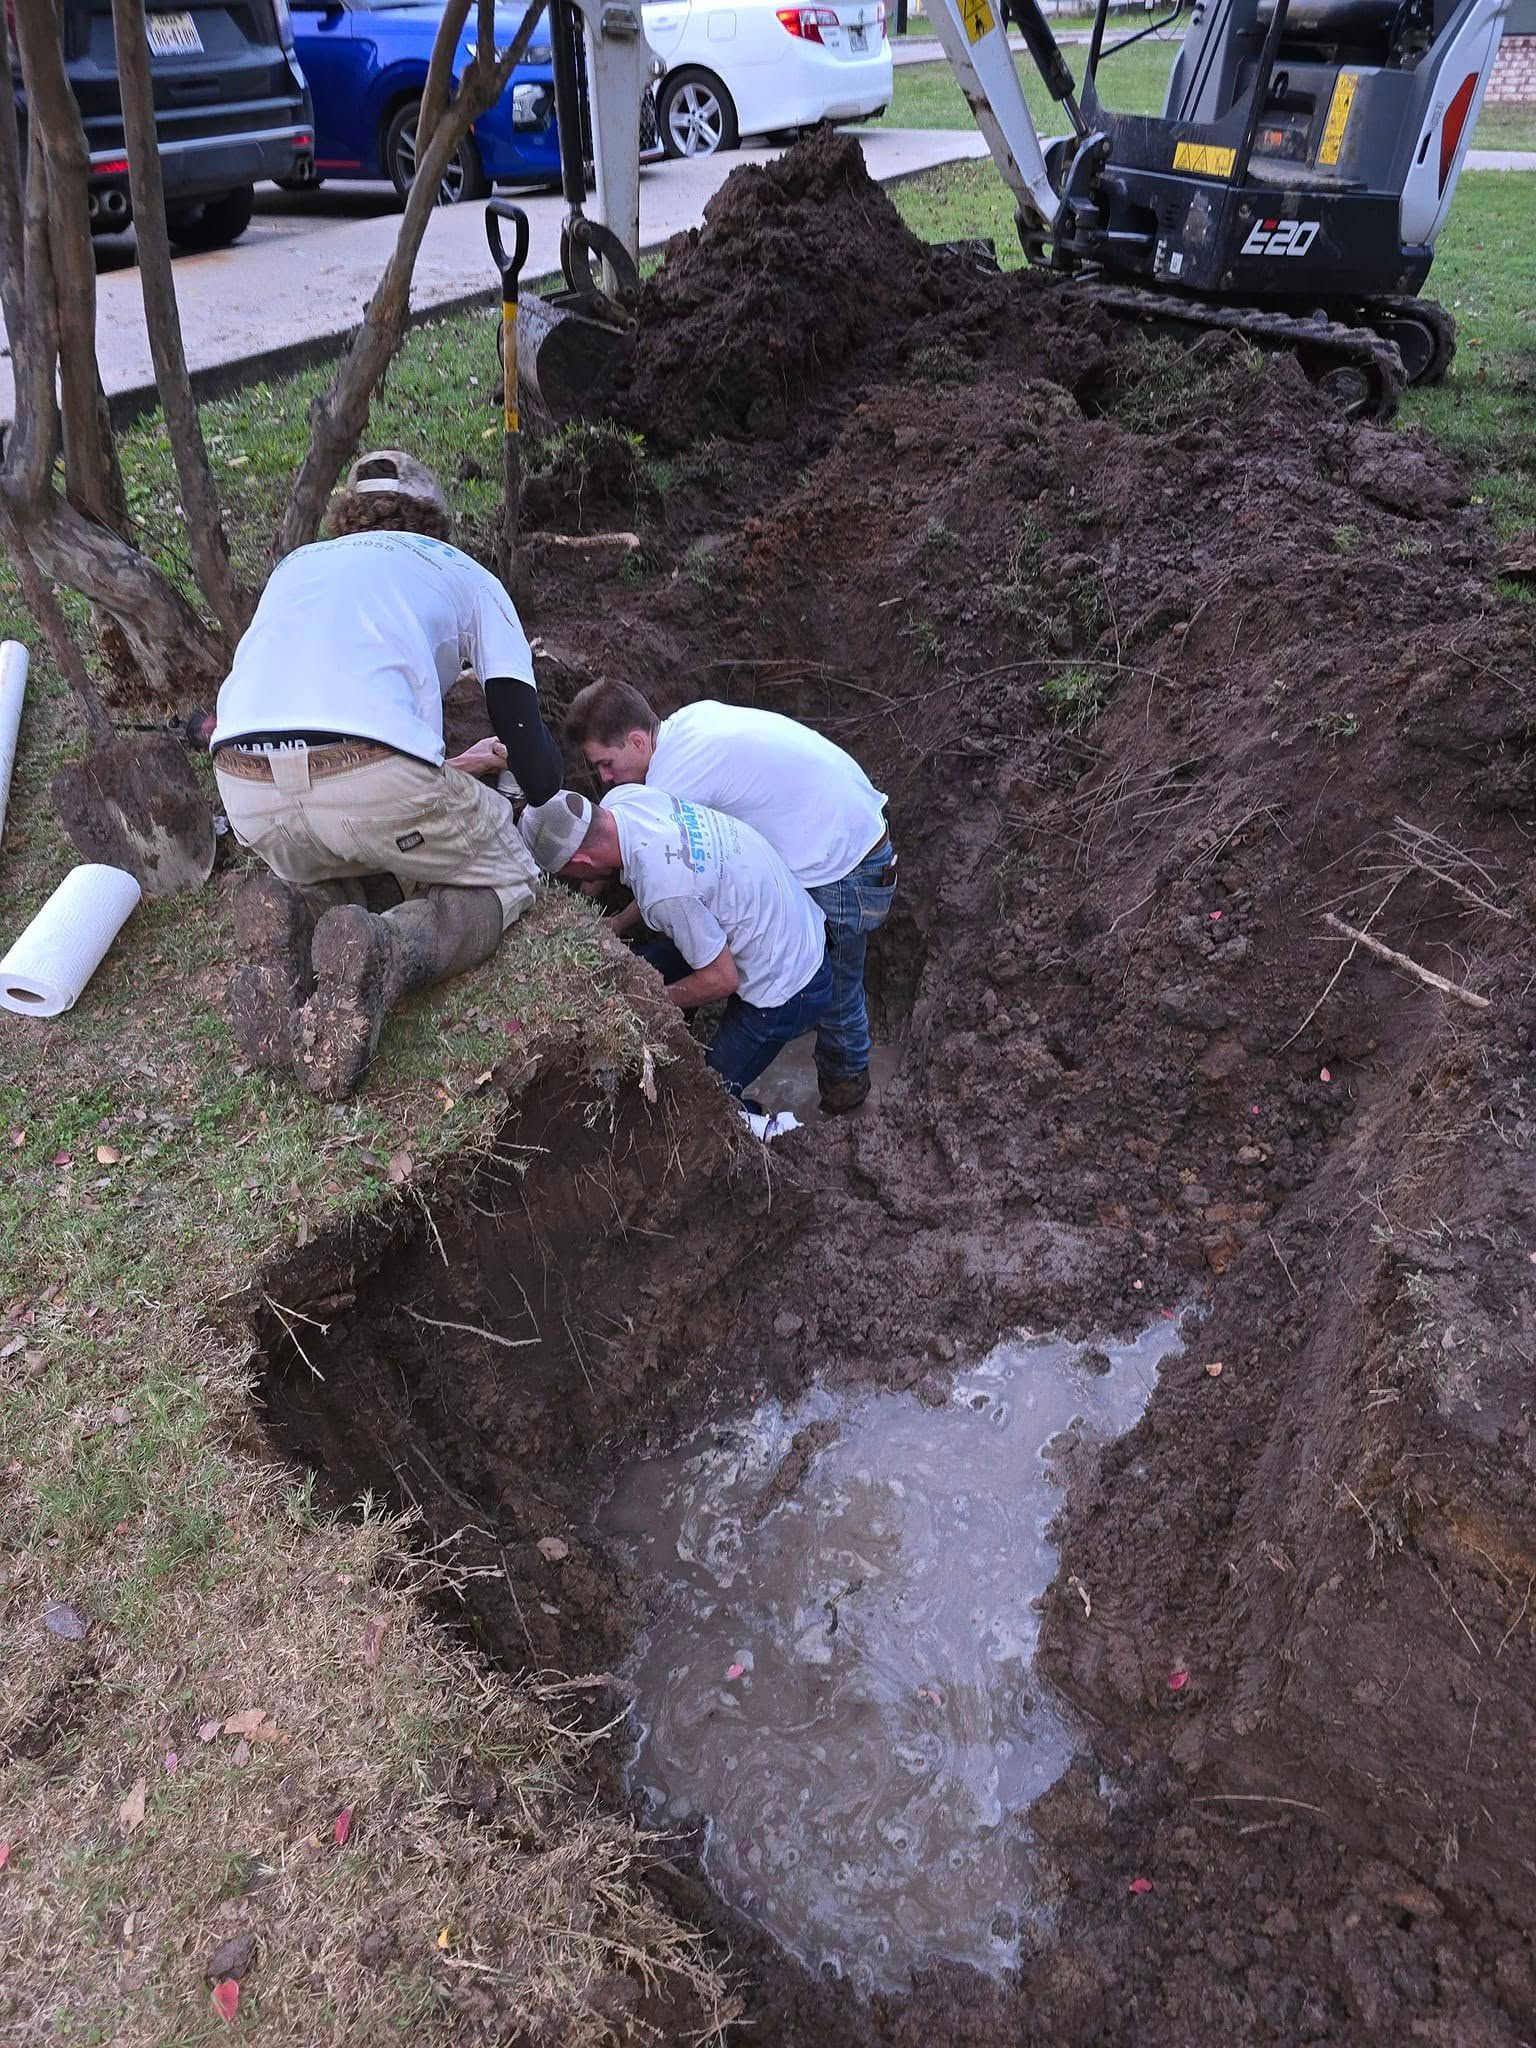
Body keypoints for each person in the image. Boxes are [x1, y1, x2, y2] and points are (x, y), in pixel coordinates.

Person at [211, 449, 562, 1101]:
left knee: (338, 849)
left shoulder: (296, 568)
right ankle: (390, 951)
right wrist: (541, 784)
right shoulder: (464, 572)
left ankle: (297, 913)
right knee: (511, 877)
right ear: (435, 524)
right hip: (371, 772)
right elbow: (530, 751)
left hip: (244, 780)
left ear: (346, 520)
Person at [564, 682, 895, 1114]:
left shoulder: (672, 781)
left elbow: (668, 878)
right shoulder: (684, 728)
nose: (605, 778)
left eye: (607, 764)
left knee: (837, 984)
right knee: (821, 975)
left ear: (637, 741)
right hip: (848, 821)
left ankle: (847, 1092)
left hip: (846, 863)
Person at [518, 785, 833, 1099]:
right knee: (638, 968)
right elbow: (663, 878)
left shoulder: (665, 891)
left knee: (706, 1098)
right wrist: (615, 924)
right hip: (785, 918)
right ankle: (681, 1033)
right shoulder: (625, 800)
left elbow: (722, 979)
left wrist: (645, 1003)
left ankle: (761, 1127)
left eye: (572, 873)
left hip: (789, 983)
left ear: (583, 862)